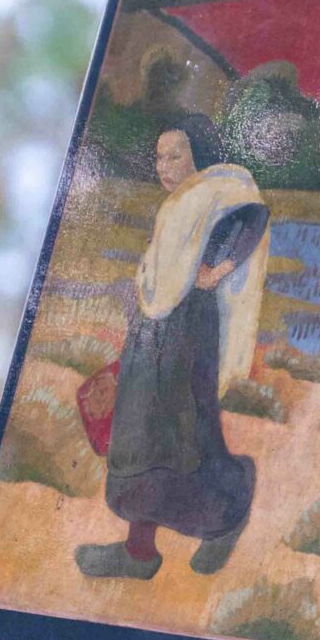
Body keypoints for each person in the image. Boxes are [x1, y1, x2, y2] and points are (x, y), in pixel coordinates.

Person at [76, 114, 270, 581]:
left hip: (189, 332)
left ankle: (224, 520)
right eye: (159, 157)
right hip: (153, 333)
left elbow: (255, 216)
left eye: (174, 155)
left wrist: (218, 270)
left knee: (186, 437)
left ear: (197, 154)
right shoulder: (180, 202)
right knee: (139, 436)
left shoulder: (218, 189)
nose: (163, 166)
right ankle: (139, 553)